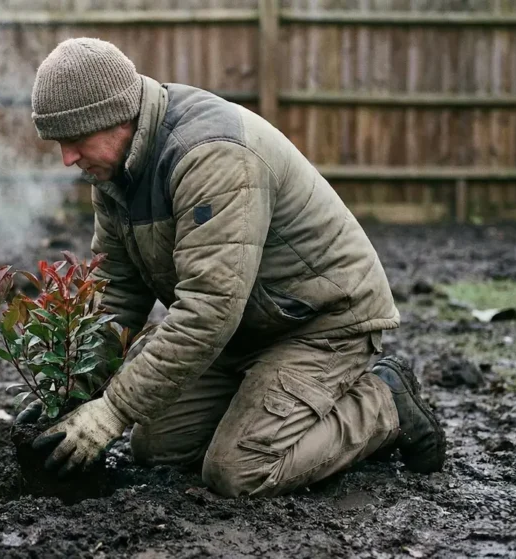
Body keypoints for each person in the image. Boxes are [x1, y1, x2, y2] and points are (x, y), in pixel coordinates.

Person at [24, 37, 447, 497]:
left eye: (74, 140)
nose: (67, 158)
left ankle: (382, 401)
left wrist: (111, 412)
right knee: (156, 447)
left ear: (116, 117)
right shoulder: (113, 173)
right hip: (245, 328)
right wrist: (71, 389)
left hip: (320, 322)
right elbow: (120, 292)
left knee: (237, 470)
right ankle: (271, 410)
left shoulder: (211, 155)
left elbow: (210, 308)